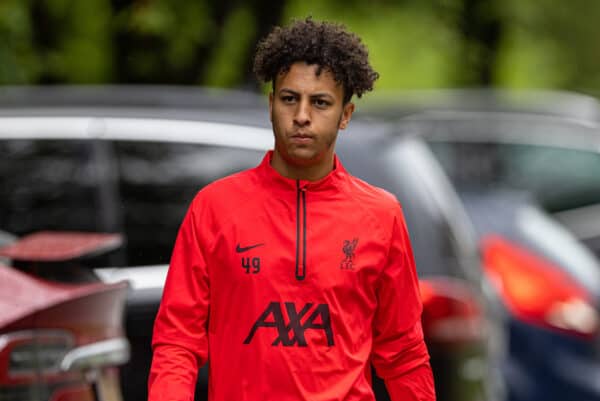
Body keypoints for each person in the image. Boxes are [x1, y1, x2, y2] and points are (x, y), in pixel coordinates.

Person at [148, 17, 436, 401]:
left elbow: (404, 354)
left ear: (345, 115)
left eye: (320, 102)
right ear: (271, 105)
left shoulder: (381, 215)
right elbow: (177, 342)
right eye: (289, 99)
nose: (302, 115)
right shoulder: (214, 207)